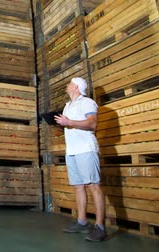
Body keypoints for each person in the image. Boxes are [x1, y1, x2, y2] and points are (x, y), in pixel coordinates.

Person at [54, 77, 106, 242]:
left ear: (76, 86)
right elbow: (71, 125)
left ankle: (100, 227)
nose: (67, 85)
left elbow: (92, 124)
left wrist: (69, 121)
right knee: (78, 187)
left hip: (86, 150)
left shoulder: (87, 102)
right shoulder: (67, 105)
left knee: (93, 186)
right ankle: (82, 221)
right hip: (72, 151)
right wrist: (60, 124)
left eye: (70, 83)